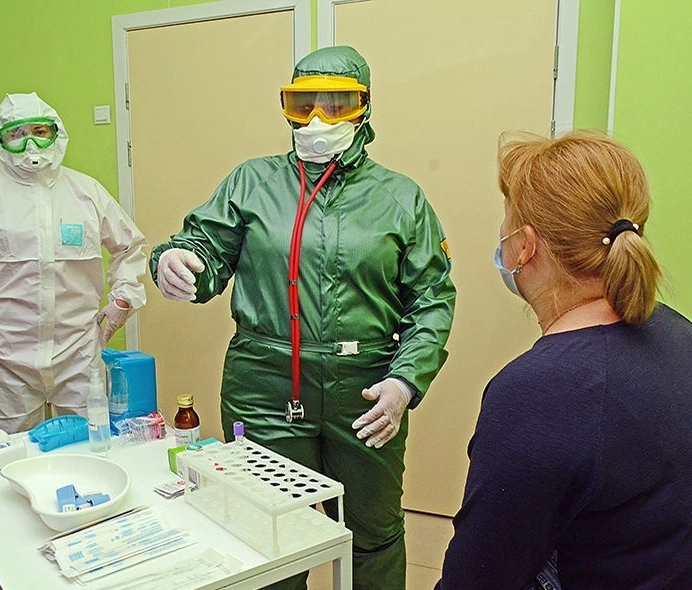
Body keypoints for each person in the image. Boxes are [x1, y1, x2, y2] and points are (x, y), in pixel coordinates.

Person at [150, 46, 455, 589]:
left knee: (373, 531)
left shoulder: (400, 198)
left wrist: (405, 382)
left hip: (366, 390)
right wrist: (175, 260)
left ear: (364, 108)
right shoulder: (252, 182)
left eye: (335, 105)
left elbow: (431, 298)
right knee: (268, 531)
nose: (317, 120)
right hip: (264, 383)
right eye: (302, 104)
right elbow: (204, 250)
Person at [437, 130, 692, 589]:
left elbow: (477, 578)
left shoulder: (539, 392)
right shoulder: (678, 332)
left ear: (525, 246)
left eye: (506, 222)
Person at [0, 92, 147, 434]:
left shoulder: (86, 192)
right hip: (8, 359)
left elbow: (130, 246)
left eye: (39, 132)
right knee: (11, 453)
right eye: (16, 134)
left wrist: (123, 299)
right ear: (0, 140)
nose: (30, 144)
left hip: (78, 352)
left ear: (56, 133)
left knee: (88, 444)